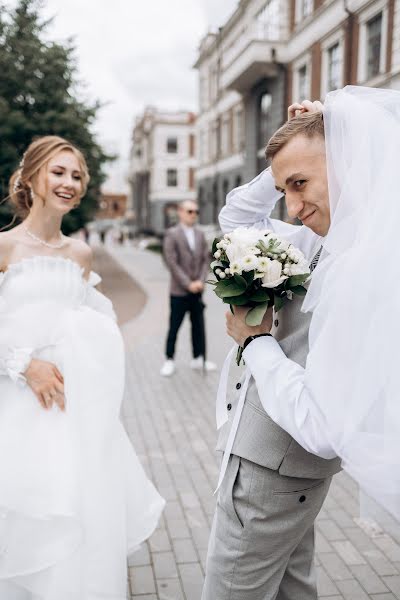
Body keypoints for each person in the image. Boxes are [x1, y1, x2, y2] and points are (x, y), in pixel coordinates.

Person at [0, 135, 165, 600]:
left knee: (77, 523)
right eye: (58, 171)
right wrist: (24, 363)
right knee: (25, 522)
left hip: (72, 412)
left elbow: (100, 328)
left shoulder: (81, 256)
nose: (69, 182)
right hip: (17, 409)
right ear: (31, 177)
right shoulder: (5, 248)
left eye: (76, 175)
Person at [202, 100, 341, 600]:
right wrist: (290, 157)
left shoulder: (359, 262)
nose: (292, 206)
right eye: (285, 191)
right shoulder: (313, 237)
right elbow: (236, 216)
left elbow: (323, 422)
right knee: (293, 588)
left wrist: (255, 341)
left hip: (270, 464)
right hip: (285, 464)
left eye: (300, 185)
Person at [160, 200, 216, 376]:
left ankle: (198, 358)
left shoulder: (200, 234)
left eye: (196, 211)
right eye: (190, 211)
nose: (194, 215)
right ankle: (169, 360)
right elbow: (171, 262)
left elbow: (205, 259)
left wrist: (200, 280)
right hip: (179, 291)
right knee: (174, 326)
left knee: (198, 325)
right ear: (181, 212)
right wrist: (188, 283)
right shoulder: (172, 234)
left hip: (197, 290)